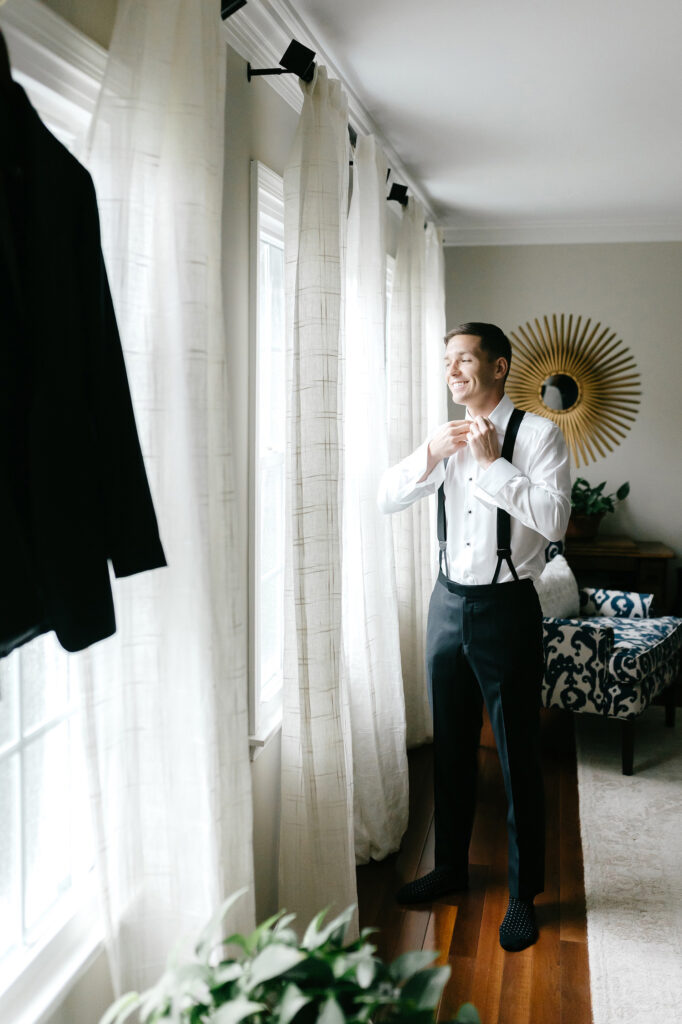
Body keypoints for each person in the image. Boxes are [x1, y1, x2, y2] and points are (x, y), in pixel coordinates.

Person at [377, 322, 571, 952]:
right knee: (450, 747)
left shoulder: (540, 435)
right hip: (446, 604)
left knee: (516, 754)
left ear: (498, 367)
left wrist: (491, 467)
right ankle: (450, 867)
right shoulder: (444, 436)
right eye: (446, 362)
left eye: (464, 360)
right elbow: (386, 498)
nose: (452, 371)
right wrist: (431, 455)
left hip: (508, 606)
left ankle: (523, 896)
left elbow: (553, 519)